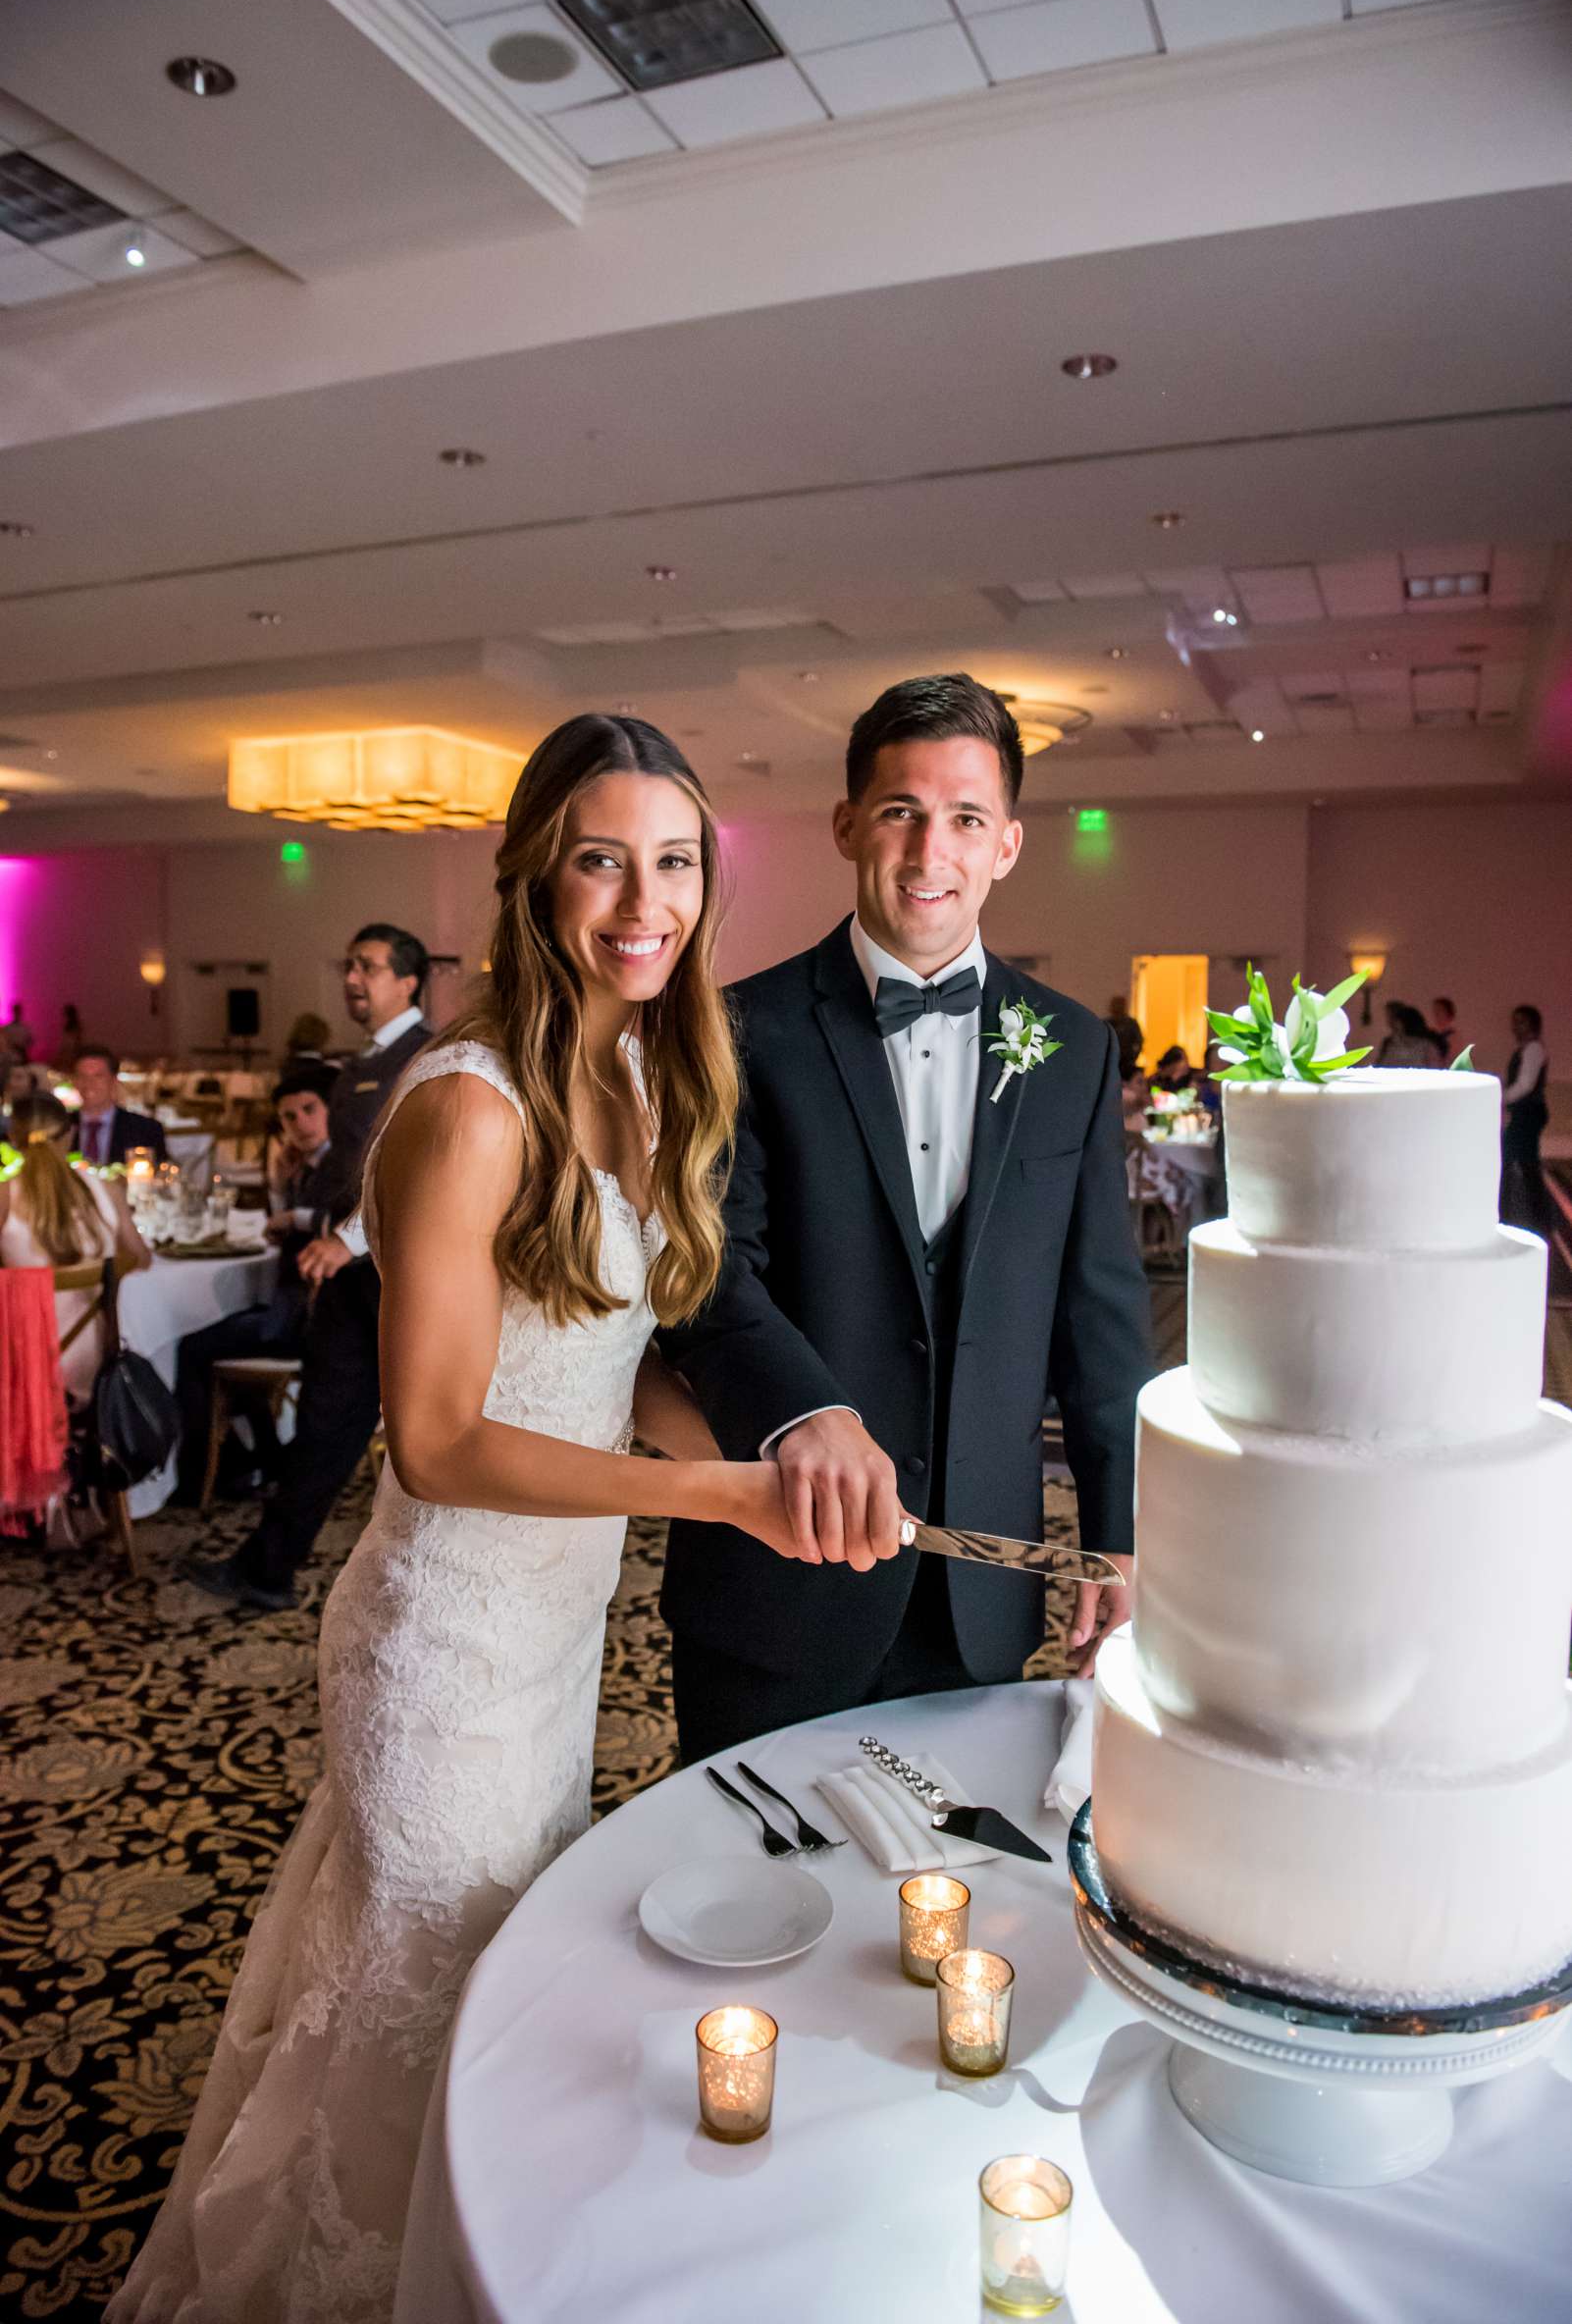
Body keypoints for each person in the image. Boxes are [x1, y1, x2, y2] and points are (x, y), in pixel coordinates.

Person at [107, 714, 804, 2322]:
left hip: (555, 1640)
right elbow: (432, 1440)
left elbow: (608, 1369)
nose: (646, 899)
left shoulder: (640, 1072)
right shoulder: (470, 1105)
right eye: (602, 859)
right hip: (445, 1646)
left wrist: (778, 1471)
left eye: (677, 861)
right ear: (530, 876)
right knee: (421, 2013)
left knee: (462, 1995)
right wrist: (709, 1494)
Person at [658, 671, 1155, 1764]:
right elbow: (705, 1276)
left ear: (1007, 844)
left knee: (947, 1899)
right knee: (745, 1896)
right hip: (777, 1578)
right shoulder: (738, 1030)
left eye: (966, 818)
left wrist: (1117, 1541)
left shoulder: (1071, 1047)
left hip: (980, 1595)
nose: (932, 853)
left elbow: (1102, 1320)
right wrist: (804, 1415)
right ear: (847, 826)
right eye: (901, 813)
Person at [187, 925, 434, 1610]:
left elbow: (415, 1170)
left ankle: (276, 1567)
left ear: (408, 981)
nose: (353, 977)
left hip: (388, 1279)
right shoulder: (368, 1059)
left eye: (369, 967)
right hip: (356, 1283)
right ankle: (268, 1566)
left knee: (370, 1428)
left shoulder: (424, 1056)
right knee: (329, 1426)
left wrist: (347, 1240)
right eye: (349, 964)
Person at [171, 1063, 338, 1504]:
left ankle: (208, 1470)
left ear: (330, 1110)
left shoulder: (342, 1163)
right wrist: (281, 1185)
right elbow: (282, 1227)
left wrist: (293, 1214)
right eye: (288, 1117)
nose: (300, 1123)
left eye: (308, 1110)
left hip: (310, 1319)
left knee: (191, 1348)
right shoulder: (306, 1165)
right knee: (225, 1341)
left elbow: (349, 1220)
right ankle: (262, 1456)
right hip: (289, 1309)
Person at [0, 1090, 149, 1400]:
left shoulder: (5, 1197)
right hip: (96, 1361)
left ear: (13, 1139)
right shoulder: (107, 1190)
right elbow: (140, 1260)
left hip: (23, 1366)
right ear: (71, 1134)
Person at [1500, 1003, 1552, 1237]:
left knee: (1522, 1161)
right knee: (1522, 1161)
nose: (1515, 1026)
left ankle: (1530, 1216)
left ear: (1531, 1024)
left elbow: (1525, 1084)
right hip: (1525, 1111)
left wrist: (1502, 1097)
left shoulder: (1533, 1049)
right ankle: (1534, 1216)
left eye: (1520, 1022)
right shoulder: (1525, 1049)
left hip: (1528, 1112)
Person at [70, 1045, 168, 1166]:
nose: (89, 1084)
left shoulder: (145, 1130)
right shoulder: (61, 1127)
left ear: (114, 1081)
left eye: (98, 1076)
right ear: (74, 1082)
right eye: (82, 1076)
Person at [1373, 1002, 1442, 1071]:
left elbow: (1434, 1070)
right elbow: (1380, 1066)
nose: (1393, 1024)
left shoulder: (1426, 1047)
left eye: (1397, 1022)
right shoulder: (1391, 1045)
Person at [1108, 992, 1143, 1082]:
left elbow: (1139, 1042)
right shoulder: (1108, 1024)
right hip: (1111, 1061)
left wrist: (1133, 1056)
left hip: (1127, 1062)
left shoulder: (1131, 1024)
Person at [1429, 995, 1457, 1063]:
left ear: (1448, 1013)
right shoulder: (1430, 1033)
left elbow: (1453, 1058)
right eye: (1435, 1010)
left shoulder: (1454, 1036)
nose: (1436, 1013)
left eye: (1439, 1010)